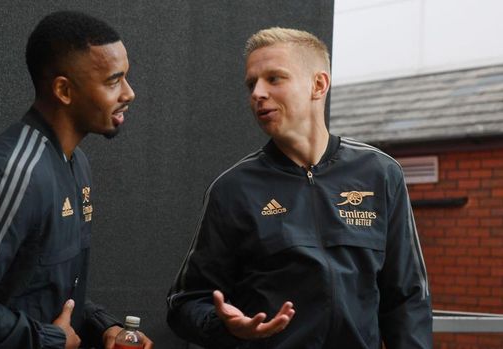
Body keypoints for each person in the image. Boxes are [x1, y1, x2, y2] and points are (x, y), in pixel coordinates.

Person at [166, 27, 432, 348]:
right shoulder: (233, 189)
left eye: (274, 79)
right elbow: (185, 302)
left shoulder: (381, 173)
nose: (257, 93)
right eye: (252, 83)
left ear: (318, 85)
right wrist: (226, 327)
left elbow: (408, 298)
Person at [0, 11, 153, 349]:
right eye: (113, 81)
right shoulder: (17, 173)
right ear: (64, 90)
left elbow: (42, 288)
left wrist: (104, 327)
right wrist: (48, 339)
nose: (129, 93)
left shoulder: (75, 163)